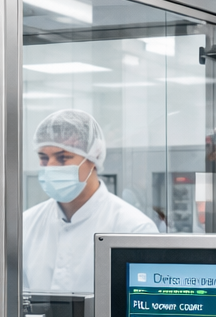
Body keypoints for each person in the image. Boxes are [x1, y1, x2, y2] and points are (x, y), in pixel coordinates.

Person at [22, 109, 157, 292]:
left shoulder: (133, 229)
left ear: (93, 156)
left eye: (63, 158)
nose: (50, 166)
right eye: (44, 158)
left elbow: (143, 301)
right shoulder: (26, 224)